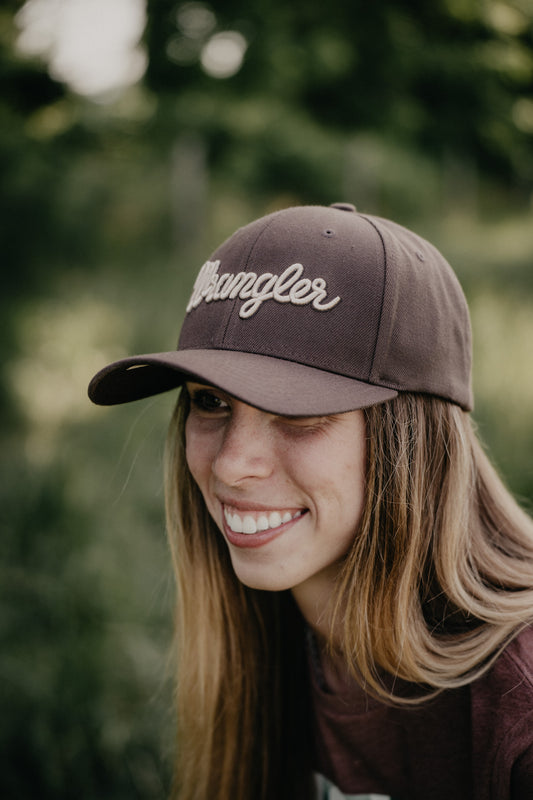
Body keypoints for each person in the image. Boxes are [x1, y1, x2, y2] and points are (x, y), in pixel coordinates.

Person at [88, 203, 533, 800]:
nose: (231, 465)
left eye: (297, 412)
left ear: (413, 441)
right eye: (210, 402)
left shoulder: (519, 705)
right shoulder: (266, 643)